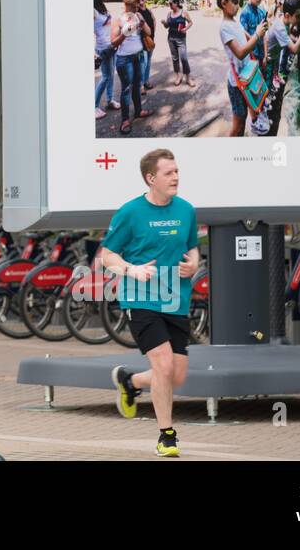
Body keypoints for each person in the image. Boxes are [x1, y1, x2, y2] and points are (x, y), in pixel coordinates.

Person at [101, 148, 200, 457]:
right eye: (169, 173)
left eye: (177, 171)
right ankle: (167, 436)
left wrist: (194, 264)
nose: (176, 177)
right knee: (164, 363)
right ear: (151, 178)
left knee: (176, 376)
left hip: (176, 300)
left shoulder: (186, 210)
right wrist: (132, 269)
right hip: (140, 298)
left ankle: (130, 382)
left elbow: (193, 247)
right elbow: (106, 256)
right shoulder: (131, 212)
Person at [217, 0, 270, 137]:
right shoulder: (224, 28)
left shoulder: (234, 22)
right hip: (236, 83)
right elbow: (240, 52)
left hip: (245, 77)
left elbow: (247, 36)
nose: (237, 6)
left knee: (243, 118)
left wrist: (259, 30)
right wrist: (258, 35)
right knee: (238, 124)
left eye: (238, 2)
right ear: (224, 3)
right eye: (234, 2)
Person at [264, 0, 300, 135]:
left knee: (271, 82)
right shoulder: (280, 27)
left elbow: (289, 39)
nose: (299, 19)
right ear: (288, 15)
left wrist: (298, 39)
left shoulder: (285, 23)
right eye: (297, 16)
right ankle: (262, 116)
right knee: (266, 85)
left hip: (275, 57)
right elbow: (294, 49)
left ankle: (267, 106)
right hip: (271, 59)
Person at [110, 0, 153, 134]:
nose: (136, 9)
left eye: (136, 6)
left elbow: (149, 32)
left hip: (139, 56)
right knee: (126, 89)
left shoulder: (138, 15)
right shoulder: (118, 20)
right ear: (126, 5)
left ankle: (138, 111)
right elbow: (113, 43)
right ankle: (125, 119)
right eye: (133, 7)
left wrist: (142, 23)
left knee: (137, 85)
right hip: (124, 59)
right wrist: (124, 34)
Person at [94, 0, 120, 118]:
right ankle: (94, 106)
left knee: (111, 75)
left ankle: (110, 100)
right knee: (105, 77)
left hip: (112, 46)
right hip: (103, 48)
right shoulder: (93, 10)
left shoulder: (102, 8)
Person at [162, 0, 196, 87]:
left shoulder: (183, 13)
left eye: (171, 3)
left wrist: (185, 29)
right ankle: (178, 76)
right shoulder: (169, 14)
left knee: (184, 58)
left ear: (176, 3)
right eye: (169, 4)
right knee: (175, 58)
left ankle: (188, 78)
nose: (169, 5)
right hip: (171, 38)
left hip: (181, 39)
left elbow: (190, 22)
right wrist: (164, 23)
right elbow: (167, 26)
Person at [240, 0, 270, 65]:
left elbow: (265, 36)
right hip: (251, 57)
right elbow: (243, 38)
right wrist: (257, 35)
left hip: (261, 55)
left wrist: (265, 55)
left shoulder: (262, 11)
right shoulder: (245, 13)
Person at [137, 0, 157, 93]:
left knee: (148, 62)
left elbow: (154, 20)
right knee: (143, 63)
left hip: (150, 40)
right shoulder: (137, 12)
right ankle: (140, 85)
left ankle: (146, 81)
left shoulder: (149, 11)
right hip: (141, 40)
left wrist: (153, 35)